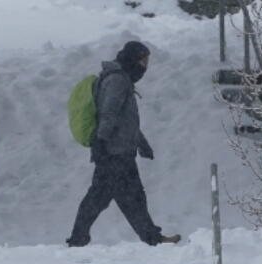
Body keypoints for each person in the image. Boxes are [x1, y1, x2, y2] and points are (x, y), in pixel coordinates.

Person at [66, 41, 179, 248]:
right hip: (113, 152)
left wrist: (142, 143)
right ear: (132, 59)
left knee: (123, 197)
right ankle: (78, 238)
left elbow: (127, 120)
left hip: (119, 151)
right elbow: (109, 114)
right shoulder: (118, 81)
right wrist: (100, 142)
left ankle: (150, 237)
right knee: (110, 197)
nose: (145, 65)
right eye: (143, 60)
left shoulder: (121, 79)